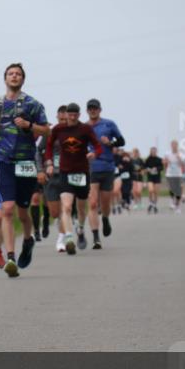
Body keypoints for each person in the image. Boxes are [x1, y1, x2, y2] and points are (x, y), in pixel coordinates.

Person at [0, 63, 50, 277]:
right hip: (4, 162)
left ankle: (28, 240)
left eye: (18, 74)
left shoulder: (33, 104)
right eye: (11, 74)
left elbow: (46, 131)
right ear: (5, 79)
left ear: (23, 79)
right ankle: (10, 257)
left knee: (23, 211)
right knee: (7, 209)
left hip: (25, 163)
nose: (14, 76)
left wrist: (29, 126)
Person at [45, 103, 102, 255]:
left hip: (82, 172)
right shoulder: (58, 129)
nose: (72, 117)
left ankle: (81, 228)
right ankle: (69, 238)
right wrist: (49, 162)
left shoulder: (85, 129)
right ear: (66, 115)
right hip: (65, 172)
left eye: (75, 114)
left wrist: (94, 154)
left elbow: (98, 146)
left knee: (81, 208)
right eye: (69, 114)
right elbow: (49, 146)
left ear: (79, 115)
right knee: (67, 206)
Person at [85, 99, 125, 249]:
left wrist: (111, 143)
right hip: (91, 167)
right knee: (93, 203)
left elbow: (122, 141)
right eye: (90, 109)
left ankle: (106, 218)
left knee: (106, 202)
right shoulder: (83, 127)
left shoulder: (109, 124)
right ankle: (96, 237)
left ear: (100, 110)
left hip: (107, 167)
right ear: (87, 111)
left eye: (95, 108)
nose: (93, 111)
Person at [44, 106, 69, 251]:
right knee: (55, 212)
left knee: (66, 208)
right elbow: (38, 152)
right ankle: (63, 223)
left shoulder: (75, 132)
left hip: (67, 175)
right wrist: (44, 167)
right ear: (57, 117)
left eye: (65, 117)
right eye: (60, 116)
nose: (63, 119)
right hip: (52, 176)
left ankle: (61, 238)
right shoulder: (49, 133)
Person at [164, 140, 185, 213]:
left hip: (178, 174)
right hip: (170, 173)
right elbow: (164, 161)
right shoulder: (167, 153)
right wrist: (166, 162)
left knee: (178, 190)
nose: (174, 146)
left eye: (175, 145)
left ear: (177, 146)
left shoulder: (180, 153)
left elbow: (183, 163)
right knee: (171, 188)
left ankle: (178, 207)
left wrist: (179, 157)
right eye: (173, 145)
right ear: (171, 146)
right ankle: (172, 201)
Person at [145, 147, 164, 213]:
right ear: (150, 152)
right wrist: (148, 169)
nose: (153, 152)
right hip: (150, 177)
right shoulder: (148, 159)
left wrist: (156, 168)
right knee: (150, 190)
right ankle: (150, 203)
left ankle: (155, 204)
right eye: (152, 151)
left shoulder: (159, 159)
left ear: (156, 152)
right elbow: (145, 167)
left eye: (154, 151)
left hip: (157, 177)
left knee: (156, 192)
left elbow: (161, 167)